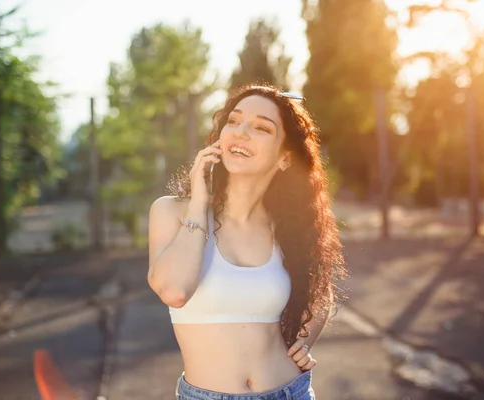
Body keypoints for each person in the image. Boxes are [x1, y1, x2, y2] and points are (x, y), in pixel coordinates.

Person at [147, 84, 347, 399]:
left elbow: (322, 292)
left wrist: (303, 343)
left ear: (284, 158)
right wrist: (200, 202)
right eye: (233, 121)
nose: (241, 132)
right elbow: (174, 291)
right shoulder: (170, 211)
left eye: (261, 128)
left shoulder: (288, 227)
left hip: (289, 392)